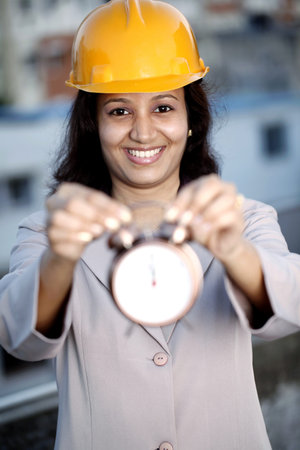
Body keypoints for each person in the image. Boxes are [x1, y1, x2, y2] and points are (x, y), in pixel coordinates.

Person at [0, 0, 300, 449]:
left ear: (191, 121)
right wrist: (61, 258)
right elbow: (18, 339)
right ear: (93, 125)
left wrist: (234, 251)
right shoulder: (47, 232)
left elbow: (288, 310)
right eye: (119, 111)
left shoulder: (243, 218)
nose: (143, 132)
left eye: (163, 108)